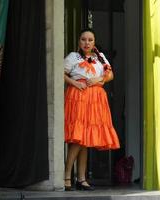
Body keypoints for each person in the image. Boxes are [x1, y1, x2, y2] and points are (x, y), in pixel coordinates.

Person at [63, 28, 120, 191]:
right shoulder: (73, 57)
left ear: (94, 42)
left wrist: (98, 79)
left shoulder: (100, 57)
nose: (86, 43)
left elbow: (110, 75)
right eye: (83, 39)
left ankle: (81, 179)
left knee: (85, 139)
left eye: (90, 40)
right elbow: (61, 73)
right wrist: (74, 83)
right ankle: (67, 175)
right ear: (79, 41)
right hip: (79, 96)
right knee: (78, 137)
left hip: (95, 100)